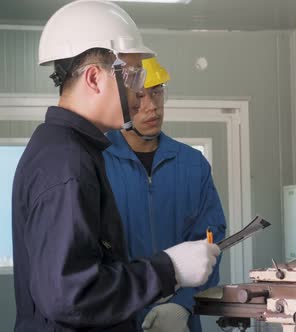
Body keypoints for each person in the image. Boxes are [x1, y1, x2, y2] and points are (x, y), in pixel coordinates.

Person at [11, 1, 219, 330]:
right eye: (133, 76)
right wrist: (168, 270)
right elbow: (70, 295)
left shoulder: (71, 151)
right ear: (94, 79)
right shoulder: (67, 163)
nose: (140, 95)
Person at [103, 56, 226, 332]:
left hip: (179, 321)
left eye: (157, 92)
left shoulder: (193, 165)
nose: (152, 106)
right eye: (140, 95)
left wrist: (182, 304)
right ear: (123, 101)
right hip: (116, 319)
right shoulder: (97, 162)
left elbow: (210, 242)